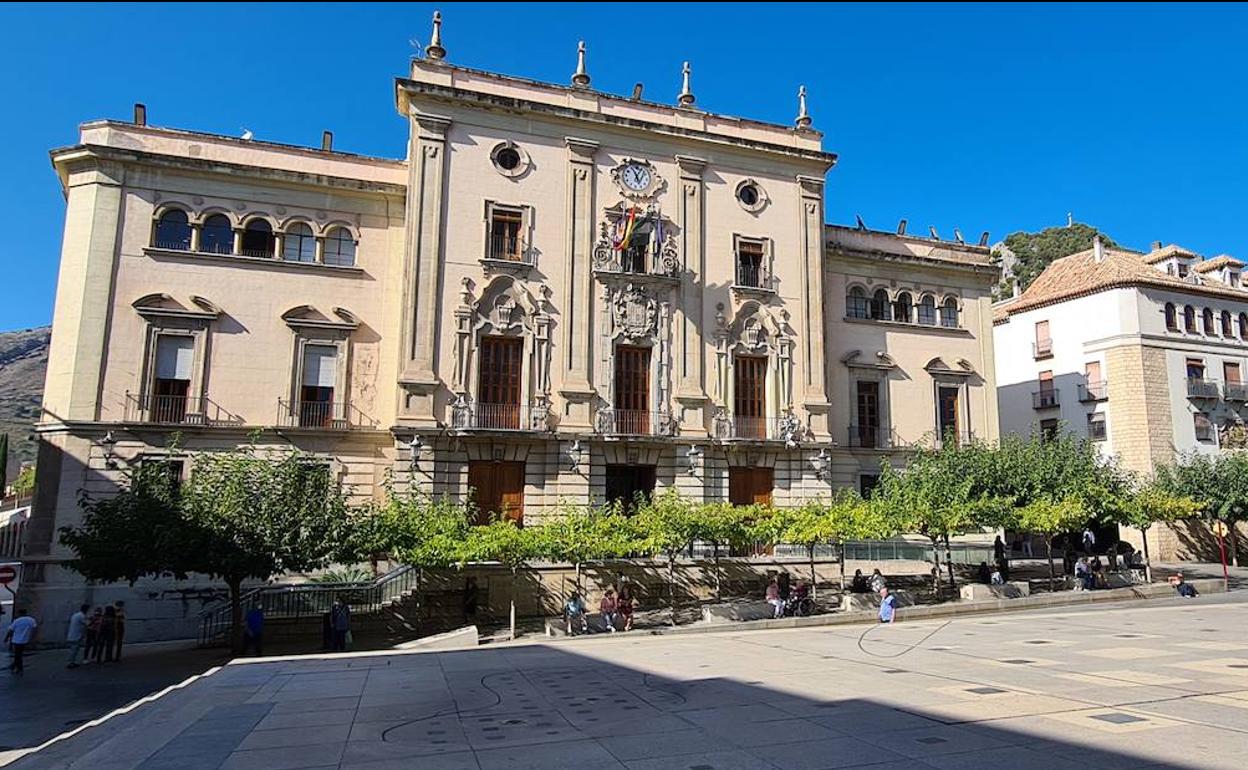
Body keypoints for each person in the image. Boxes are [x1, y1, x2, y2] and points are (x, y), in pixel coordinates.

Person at [6, 609, 36, 674]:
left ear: (19, 613)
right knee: (19, 654)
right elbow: (34, 628)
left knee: (18, 655)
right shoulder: (31, 620)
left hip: (16, 640)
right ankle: (15, 666)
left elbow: (10, 630)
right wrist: (32, 637)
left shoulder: (17, 621)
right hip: (25, 639)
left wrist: (6, 638)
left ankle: (18, 668)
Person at [66, 603, 89, 669]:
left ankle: (72, 662)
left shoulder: (75, 615)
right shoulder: (82, 616)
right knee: (74, 650)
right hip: (76, 636)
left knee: (73, 650)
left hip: (72, 634)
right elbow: (87, 624)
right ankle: (70, 663)